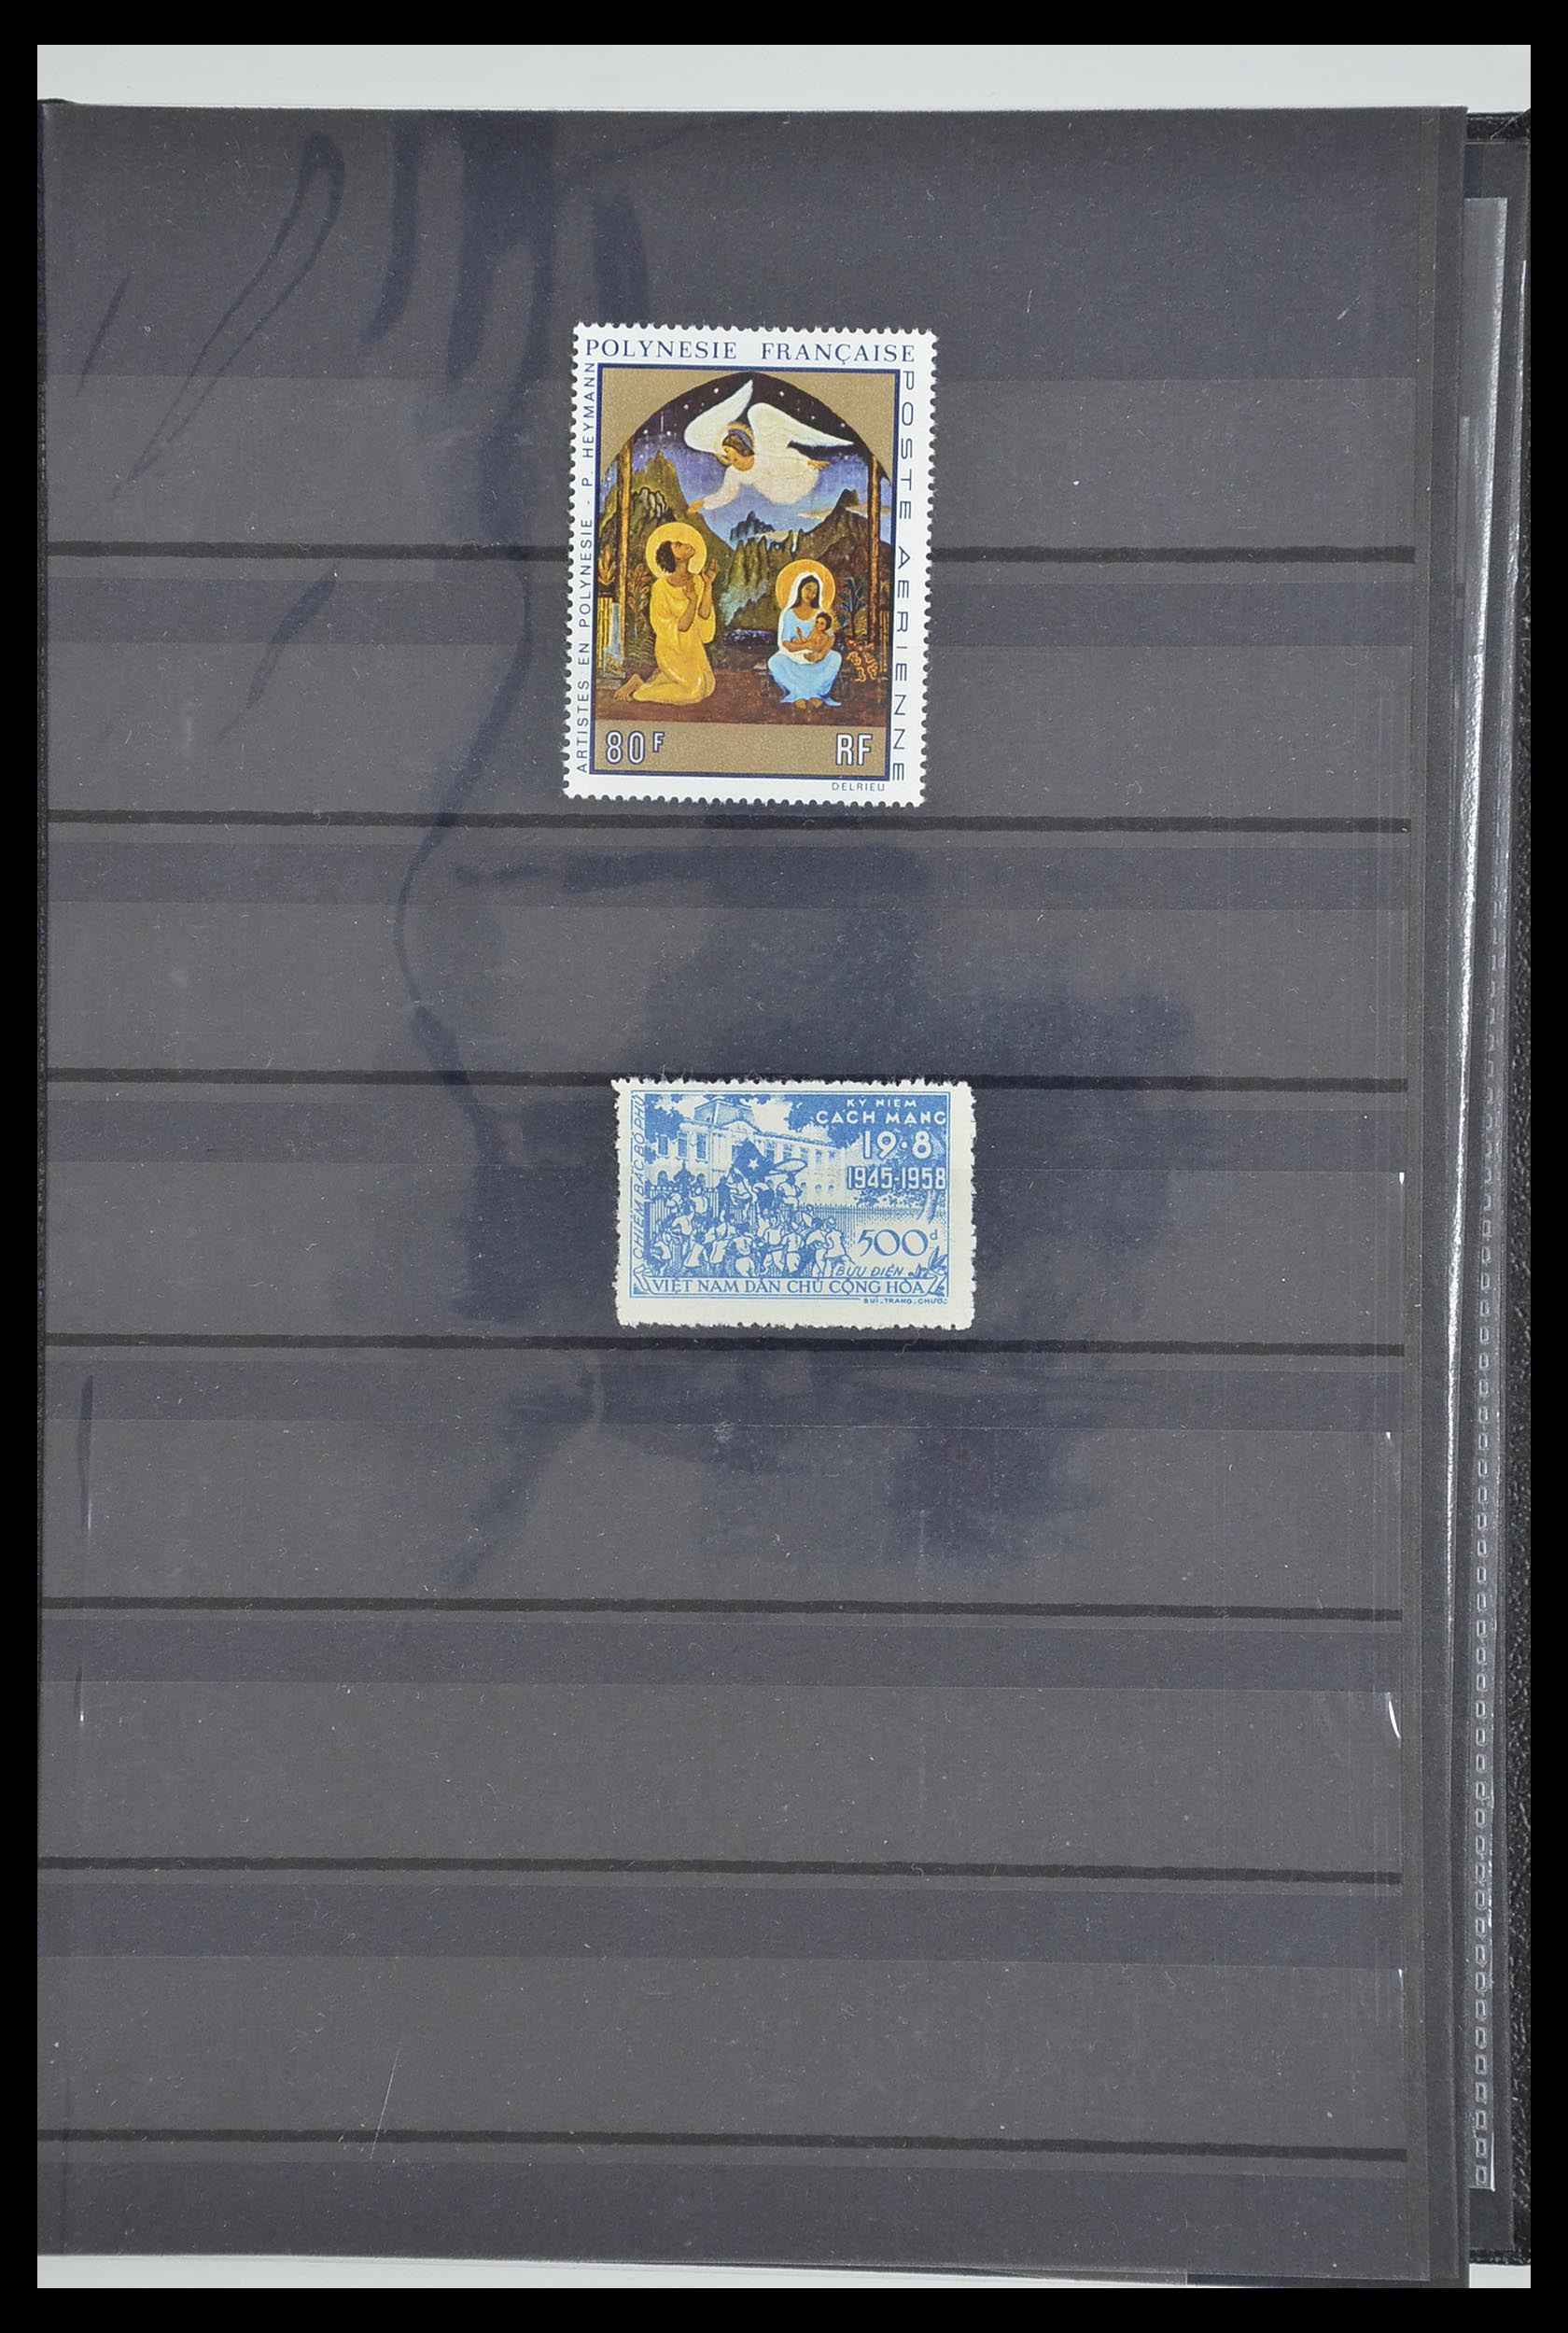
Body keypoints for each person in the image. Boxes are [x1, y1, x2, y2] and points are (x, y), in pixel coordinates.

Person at [614, 525, 716, 706]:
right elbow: (681, 627)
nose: (686, 544)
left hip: (692, 648)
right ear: (676, 558)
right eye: (679, 545)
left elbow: (704, 614)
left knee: (708, 686)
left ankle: (643, 681)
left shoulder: (697, 580)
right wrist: (692, 601)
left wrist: (708, 585)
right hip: (671, 648)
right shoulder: (660, 588)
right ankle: (640, 692)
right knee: (694, 691)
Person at [769, 571, 844, 707]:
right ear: (800, 588)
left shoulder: (819, 613)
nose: (810, 594)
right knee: (775, 662)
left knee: (835, 657)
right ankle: (801, 694)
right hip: (793, 657)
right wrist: (806, 646)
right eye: (808, 588)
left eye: (815, 591)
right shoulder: (789, 614)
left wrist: (821, 654)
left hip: (816, 657)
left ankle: (814, 693)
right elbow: (786, 643)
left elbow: (831, 637)